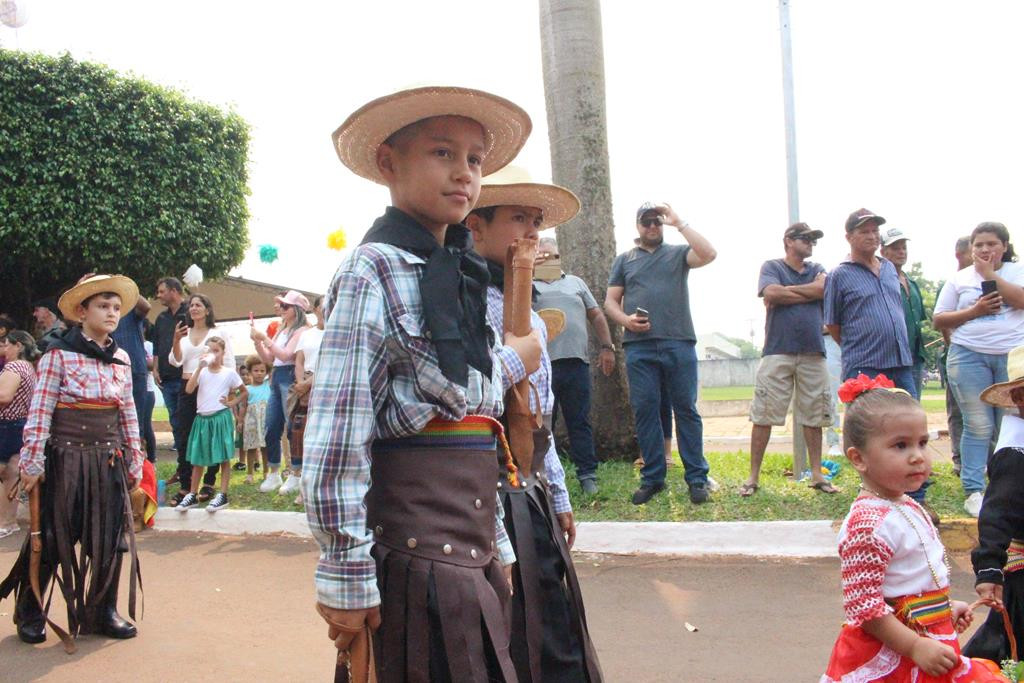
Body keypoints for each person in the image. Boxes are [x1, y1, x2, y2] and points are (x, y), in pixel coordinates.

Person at [302, 85, 536, 681]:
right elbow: (337, 432)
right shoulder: (368, 269)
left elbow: (479, 417)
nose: (464, 174)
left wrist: (499, 545)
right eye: (441, 153)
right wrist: (346, 570)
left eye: (475, 159)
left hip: (474, 543)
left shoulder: (463, 275)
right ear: (388, 163)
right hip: (410, 555)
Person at [466, 174, 603, 682]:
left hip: (530, 486)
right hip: (483, 490)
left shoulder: (527, 299)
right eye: (518, 219)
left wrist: (558, 496)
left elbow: (537, 409)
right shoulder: (463, 301)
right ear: (476, 227)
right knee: (498, 632)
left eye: (536, 221)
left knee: (551, 625)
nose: (531, 233)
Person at [819, 374, 1002, 683]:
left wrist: (943, 609)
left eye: (923, 443)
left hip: (925, 638)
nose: (917, 456)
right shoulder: (867, 524)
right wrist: (915, 645)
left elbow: (909, 583)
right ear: (858, 458)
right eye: (900, 445)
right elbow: (864, 608)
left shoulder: (903, 503)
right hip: (893, 653)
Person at [0, 275, 144, 644]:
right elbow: (40, 411)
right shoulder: (57, 354)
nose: (111, 313)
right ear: (82, 312)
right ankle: (30, 611)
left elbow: (127, 411)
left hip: (108, 459)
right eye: (103, 306)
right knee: (51, 536)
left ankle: (102, 612)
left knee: (109, 538)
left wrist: (134, 458)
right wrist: (32, 463)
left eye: (116, 307)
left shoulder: (122, 357)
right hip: (65, 460)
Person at [605, 201, 717, 505]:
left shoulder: (679, 254)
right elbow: (610, 302)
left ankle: (697, 478)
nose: (652, 226)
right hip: (639, 347)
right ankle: (653, 478)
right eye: (646, 221)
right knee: (646, 410)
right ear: (637, 225)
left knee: (686, 410)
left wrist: (679, 222)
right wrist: (626, 320)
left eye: (657, 221)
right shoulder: (624, 260)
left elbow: (709, 253)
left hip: (678, 341)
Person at [933, 222, 1024, 517]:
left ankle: (1005, 484)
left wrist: (989, 276)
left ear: (1005, 247)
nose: (985, 249)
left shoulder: (1017, 272)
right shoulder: (958, 279)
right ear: (971, 249)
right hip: (969, 356)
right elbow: (939, 319)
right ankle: (973, 489)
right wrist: (976, 311)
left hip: (1012, 358)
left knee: (1010, 422)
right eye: (979, 245)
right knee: (978, 425)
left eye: (992, 244)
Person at [741, 223, 836, 496]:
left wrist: (789, 293)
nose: (810, 244)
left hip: (813, 351)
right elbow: (771, 293)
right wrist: (807, 291)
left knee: (815, 415)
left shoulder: (818, 268)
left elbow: (822, 291)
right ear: (788, 241)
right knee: (764, 414)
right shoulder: (771, 266)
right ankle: (753, 476)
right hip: (777, 350)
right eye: (805, 239)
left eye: (812, 240)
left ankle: (817, 474)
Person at [534, 236, 615, 494]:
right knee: (542, 424)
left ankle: (587, 475)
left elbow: (596, 315)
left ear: (559, 258)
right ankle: (540, 475)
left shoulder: (575, 283)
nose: (547, 260)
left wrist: (607, 347)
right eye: (542, 255)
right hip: (541, 366)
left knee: (579, 421)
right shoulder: (527, 285)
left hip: (576, 364)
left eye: (552, 255)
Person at [962, 345, 1024, 663]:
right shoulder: (1015, 454)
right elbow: (996, 515)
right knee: (1009, 646)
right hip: (1022, 577)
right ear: (1019, 399)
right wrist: (989, 570)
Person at [824, 209, 915, 394]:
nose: (872, 236)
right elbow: (833, 324)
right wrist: (860, 346)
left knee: (909, 418)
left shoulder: (889, 268)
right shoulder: (839, 275)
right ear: (849, 237)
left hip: (901, 363)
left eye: (875, 231)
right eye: (864, 232)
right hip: (865, 366)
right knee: (869, 421)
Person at [168, 293, 235, 505]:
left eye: (199, 305)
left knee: (213, 434)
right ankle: (187, 485)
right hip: (188, 386)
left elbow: (230, 361)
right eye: (191, 305)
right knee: (185, 435)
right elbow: (175, 360)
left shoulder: (218, 332)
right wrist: (176, 340)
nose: (194, 308)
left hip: (212, 386)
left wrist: (229, 391)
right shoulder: (185, 335)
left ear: (207, 309)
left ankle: (209, 482)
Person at [174, 337, 246, 512]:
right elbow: (189, 389)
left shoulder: (229, 373)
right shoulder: (203, 372)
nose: (213, 354)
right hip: (202, 419)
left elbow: (244, 392)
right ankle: (192, 494)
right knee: (198, 458)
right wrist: (199, 368)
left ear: (223, 353)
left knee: (223, 457)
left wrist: (232, 401)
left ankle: (222, 494)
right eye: (210, 350)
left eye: (216, 350)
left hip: (220, 417)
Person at [250, 290, 310, 495]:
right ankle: (274, 471)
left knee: (292, 427)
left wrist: (264, 338)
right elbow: (268, 358)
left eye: (285, 306)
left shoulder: (301, 330)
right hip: (276, 376)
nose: (281, 309)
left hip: (289, 376)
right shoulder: (282, 329)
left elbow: (285, 355)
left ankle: (296, 472)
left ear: (297, 310)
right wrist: (258, 342)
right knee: (271, 425)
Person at [109, 276, 154, 463]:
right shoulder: (103, 314)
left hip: (135, 370)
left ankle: (139, 466)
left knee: (137, 425)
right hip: (110, 370)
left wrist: (124, 286)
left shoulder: (130, 310)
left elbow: (146, 307)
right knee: (114, 423)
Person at [0, 331, 40, 538]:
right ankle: (8, 520)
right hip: (18, 425)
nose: (3, 349)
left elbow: (4, 396)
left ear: (18, 346)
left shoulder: (14, 366)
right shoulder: (28, 368)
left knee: (7, 474)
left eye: (6, 345)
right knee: (11, 474)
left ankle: (5, 521)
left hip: (8, 425)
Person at [880, 228, 928, 398]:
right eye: (895, 248)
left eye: (903, 248)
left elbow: (918, 321)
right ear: (883, 252)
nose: (901, 252)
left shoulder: (912, 283)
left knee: (914, 406)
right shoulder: (879, 281)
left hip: (914, 356)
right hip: (890, 358)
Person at [288, 297, 325, 505]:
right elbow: (299, 360)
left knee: (320, 439)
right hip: (303, 387)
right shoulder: (307, 334)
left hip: (324, 385)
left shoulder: (336, 333)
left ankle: (317, 489)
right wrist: (301, 384)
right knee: (301, 436)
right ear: (315, 309)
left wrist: (309, 384)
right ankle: (302, 487)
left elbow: (330, 363)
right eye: (323, 306)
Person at [942, 236, 974, 476]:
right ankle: (959, 460)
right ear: (960, 255)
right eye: (975, 251)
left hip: (988, 356)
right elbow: (942, 322)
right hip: (959, 356)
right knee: (958, 411)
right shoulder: (954, 284)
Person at [152, 277, 188, 458]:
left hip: (186, 377)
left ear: (173, 291)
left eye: (161, 291)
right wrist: (155, 369)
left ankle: (192, 462)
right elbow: (157, 346)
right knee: (174, 419)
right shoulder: (161, 318)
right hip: (167, 378)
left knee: (188, 420)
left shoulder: (192, 311)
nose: (158, 296)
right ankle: (182, 462)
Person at [241, 355, 269, 485]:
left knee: (265, 447)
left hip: (265, 420)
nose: (259, 374)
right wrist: (240, 421)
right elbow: (243, 406)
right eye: (256, 371)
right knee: (251, 447)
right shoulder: (247, 389)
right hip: (251, 420)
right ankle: (250, 474)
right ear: (250, 372)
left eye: (262, 371)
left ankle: (266, 472)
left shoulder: (269, 385)